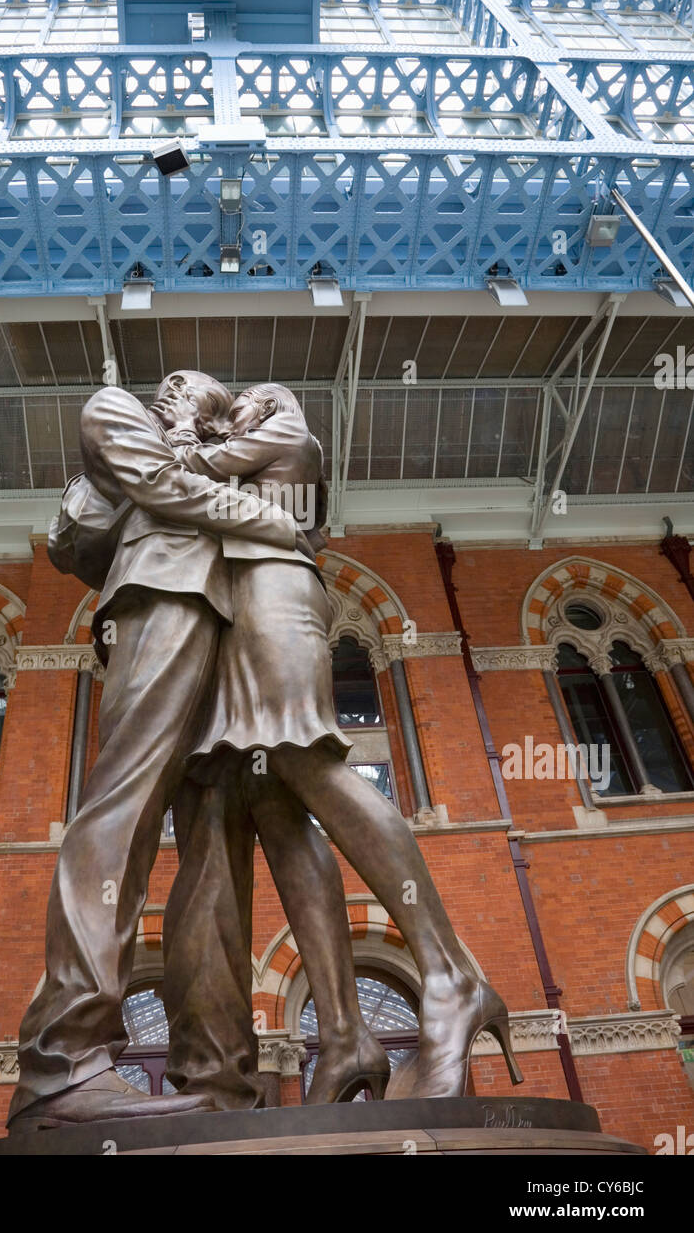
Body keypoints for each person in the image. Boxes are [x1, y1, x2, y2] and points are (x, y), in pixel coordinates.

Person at [8, 371, 384, 1130]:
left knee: (214, 849)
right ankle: (63, 1058)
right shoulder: (112, 408)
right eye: (203, 407)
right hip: (160, 604)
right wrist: (273, 523)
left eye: (219, 420)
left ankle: (217, 1077)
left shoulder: (213, 452)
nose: (208, 425)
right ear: (171, 390)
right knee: (123, 809)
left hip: (227, 629)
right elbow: (151, 492)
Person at [167, 383, 524, 1099]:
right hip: (245, 606)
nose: (228, 408)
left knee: (305, 756)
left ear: (269, 406)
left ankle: (453, 976)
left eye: (241, 402)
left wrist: (183, 421)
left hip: (275, 597)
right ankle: (344, 1036)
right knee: (272, 796)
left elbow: (179, 474)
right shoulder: (261, 455)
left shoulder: (283, 438)